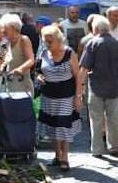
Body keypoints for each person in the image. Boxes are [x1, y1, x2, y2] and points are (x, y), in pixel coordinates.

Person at [79, 16, 118, 157]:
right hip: (114, 87)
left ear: (95, 29)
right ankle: (114, 147)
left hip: (95, 87)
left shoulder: (91, 44)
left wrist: (80, 88)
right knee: (113, 119)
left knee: (95, 119)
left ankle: (97, 150)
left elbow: (83, 68)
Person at [36, 26, 84, 171]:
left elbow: (78, 76)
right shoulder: (44, 53)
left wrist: (78, 97)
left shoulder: (70, 53)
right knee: (52, 127)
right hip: (48, 96)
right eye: (46, 42)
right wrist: (39, 77)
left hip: (66, 96)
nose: (48, 45)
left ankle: (65, 157)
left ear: (59, 40)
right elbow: (38, 71)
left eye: (50, 42)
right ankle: (57, 155)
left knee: (63, 127)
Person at [2, 13, 35, 95]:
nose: (3, 30)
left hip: (22, 86)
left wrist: (20, 69)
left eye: (5, 27)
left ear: (13, 27)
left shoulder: (23, 40)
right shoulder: (7, 43)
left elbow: (31, 60)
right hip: (9, 85)